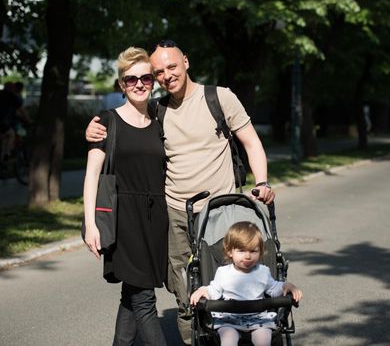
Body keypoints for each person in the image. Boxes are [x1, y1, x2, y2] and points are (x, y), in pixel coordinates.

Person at [85, 39, 275, 345]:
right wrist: (93, 128)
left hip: (220, 211)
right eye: (158, 71)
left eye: (170, 66)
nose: (165, 75)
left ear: (185, 62)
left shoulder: (219, 98)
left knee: (232, 288)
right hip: (173, 213)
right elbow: (120, 126)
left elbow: (251, 142)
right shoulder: (158, 108)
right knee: (184, 293)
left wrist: (262, 182)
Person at [83, 46, 168, 345]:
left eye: (146, 77)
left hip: (156, 219)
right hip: (123, 220)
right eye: (131, 79)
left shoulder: (161, 117)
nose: (140, 84)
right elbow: (92, 175)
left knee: (132, 296)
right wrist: (90, 224)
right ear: (121, 84)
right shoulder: (106, 121)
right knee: (144, 299)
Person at [190, 221, 303, 346]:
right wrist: (203, 290)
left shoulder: (263, 271)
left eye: (253, 251)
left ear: (260, 252)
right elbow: (214, 290)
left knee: (264, 339)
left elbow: (274, 288)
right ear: (229, 252)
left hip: (258, 318)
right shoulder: (223, 272)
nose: (248, 256)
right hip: (229, 318)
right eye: (241, 251)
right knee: (228, 340)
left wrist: (287, 286)